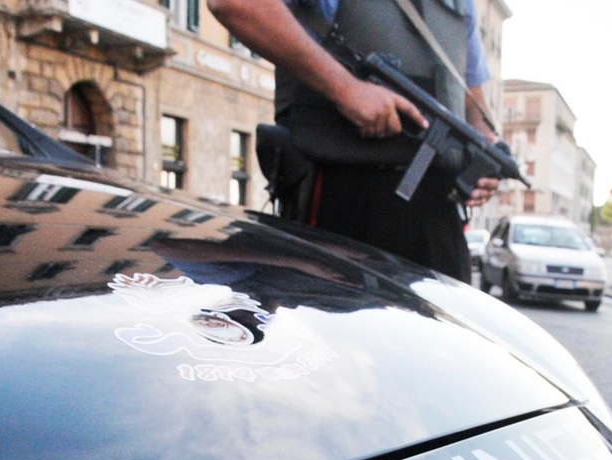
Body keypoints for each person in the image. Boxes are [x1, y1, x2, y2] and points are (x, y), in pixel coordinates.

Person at [209, 0, 501, 283]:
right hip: (343, 197)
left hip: (439, 216)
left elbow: (468, 92)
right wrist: (347, 89)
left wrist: (488, 154)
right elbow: (236, 4)